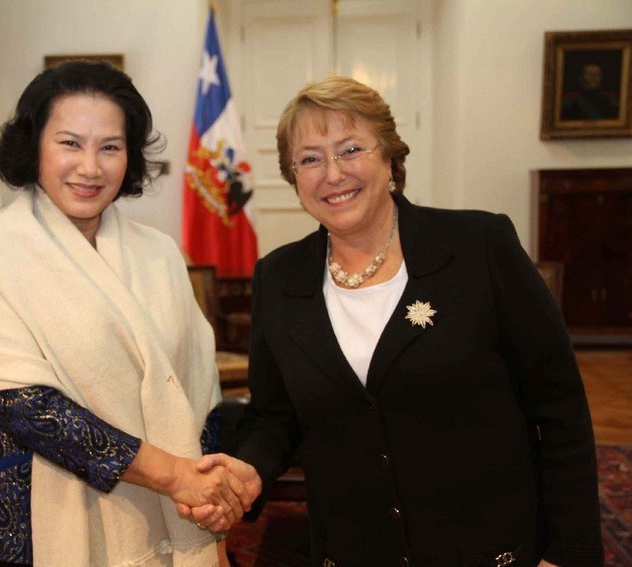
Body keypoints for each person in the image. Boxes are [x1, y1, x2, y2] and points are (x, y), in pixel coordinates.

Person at [185, 76, 603, 566]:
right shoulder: (278, 278)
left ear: (389, 157)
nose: (333, 174)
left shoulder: (478, 246)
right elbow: (275, 415)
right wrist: (250, 468)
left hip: (488, 549)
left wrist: (568, 553)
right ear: (293, 176)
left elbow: (559, 406)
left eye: (350, 149)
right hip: (352, 550)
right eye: (310, 159)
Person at [0, 61, 260, 566]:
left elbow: (196, 387)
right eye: (70, 143)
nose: (90, 167)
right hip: (36, 519)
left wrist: (204, 491)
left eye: (110, 147)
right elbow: (25, 406)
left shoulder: (160, 252)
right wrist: (174, 475)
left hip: (172, 511)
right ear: (35, 145)